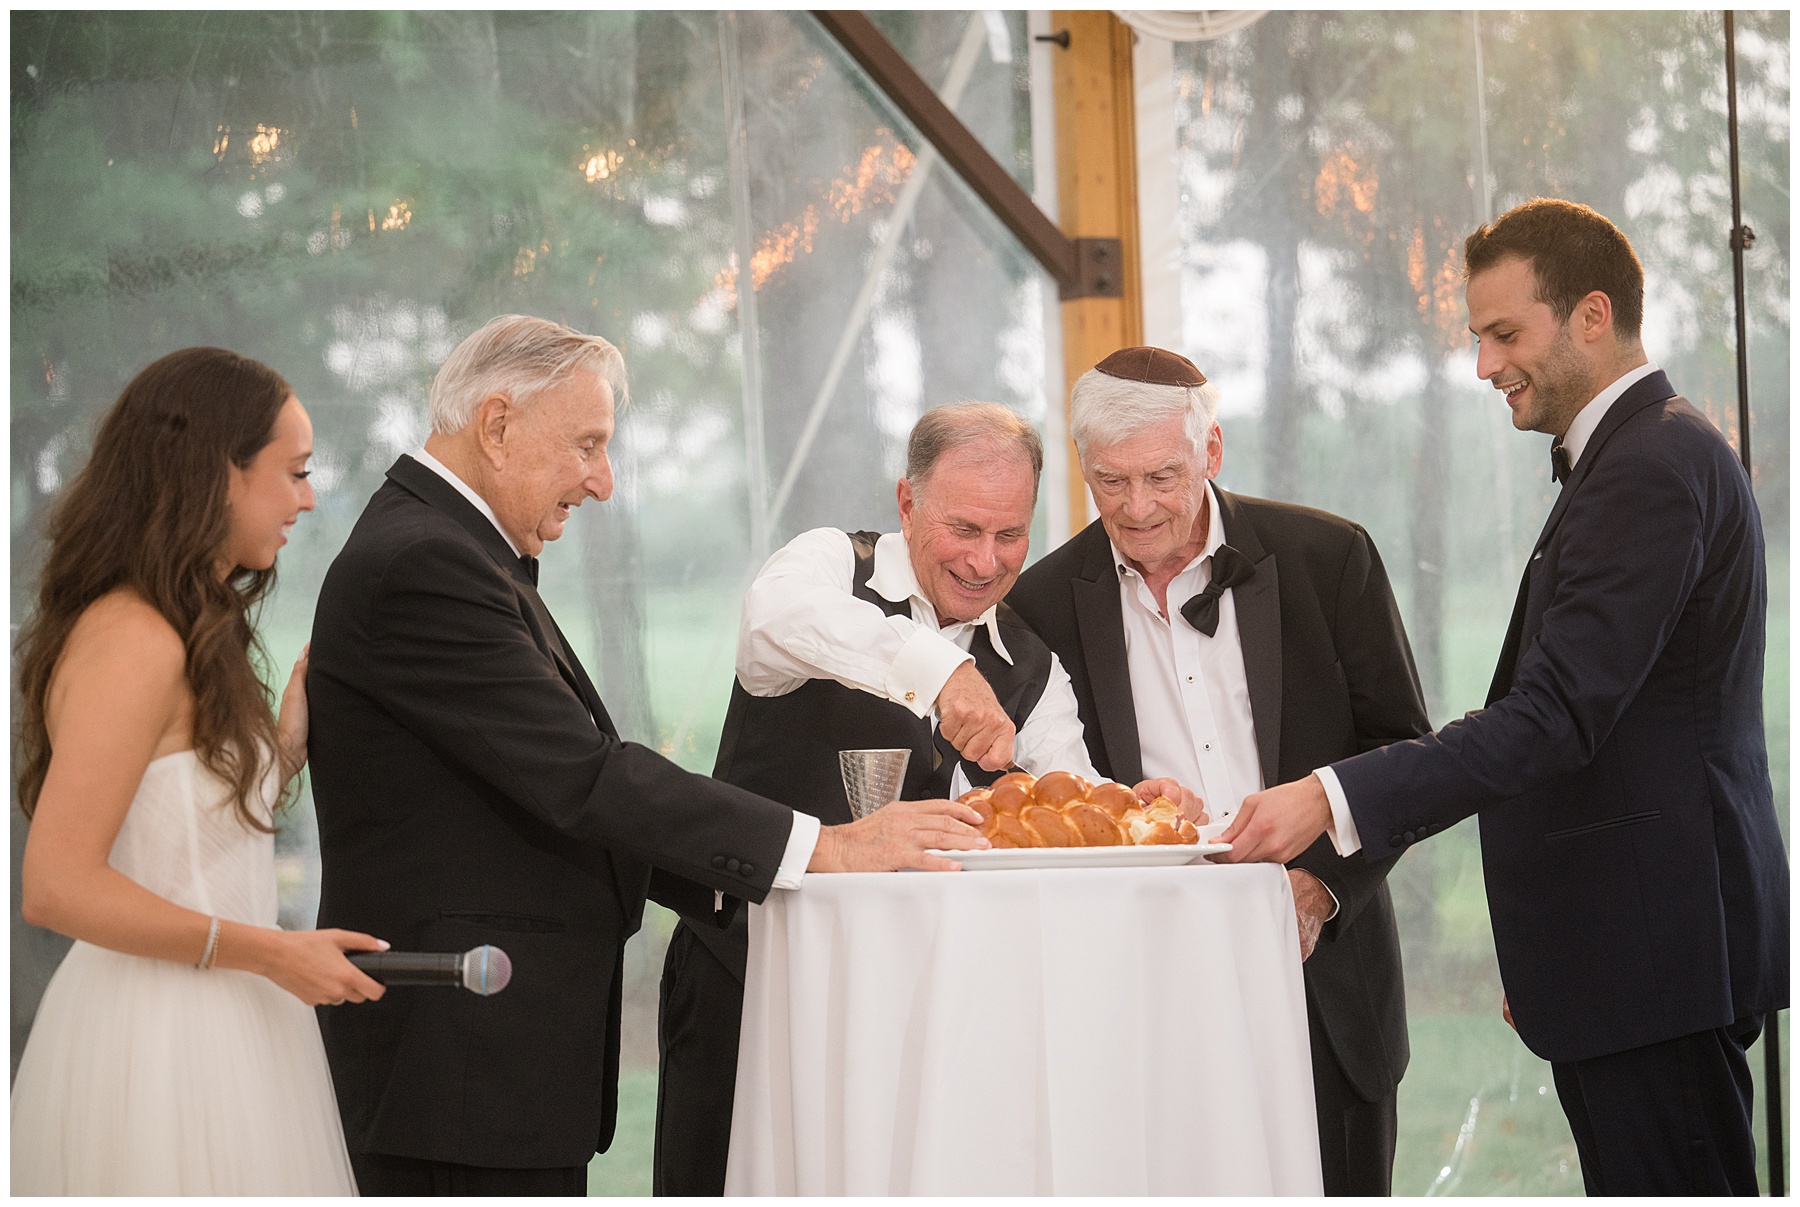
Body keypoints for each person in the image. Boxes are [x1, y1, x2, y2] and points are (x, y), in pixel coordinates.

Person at [306, 314, 985, 1196]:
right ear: (498, 423)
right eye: (587, 444)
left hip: (482, 1068)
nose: (603, 480)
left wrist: (757, 898)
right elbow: (583, 777)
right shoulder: (426, 563)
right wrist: (827, 846)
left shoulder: (451, 548)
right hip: (456, 1068)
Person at [1218, 199, 1788, 1194]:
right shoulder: (1637, 455)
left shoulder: (1649, 464)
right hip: (1635, 952)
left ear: (1594, 316)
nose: (1485, 365)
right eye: (1480, 337)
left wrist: (1332, 796)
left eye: (1505, 333)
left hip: (1656, 953)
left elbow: (1558, 715)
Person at [654, 401, 1200, 1196]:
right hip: (747, 977)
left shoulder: (1032, 667)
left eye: (1010, 535)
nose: (986, 561)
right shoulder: (829, 568)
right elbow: (773, 618)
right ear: (907, 503)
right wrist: (937, 671)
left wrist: (1137, 806)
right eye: (965, 529)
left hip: (925, 1017)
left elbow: (1072, 801)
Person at [1005, 347, 1429, 1195]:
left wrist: (1321, 885)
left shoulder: (1329, 556)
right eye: (1110, 481)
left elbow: (1403, 754)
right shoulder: (1043, 600)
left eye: (1162, 476)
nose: (1137, 507)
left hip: (1325, 976)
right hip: (1141, 986)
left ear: (1213, 450)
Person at [12, 347, 384, 1195]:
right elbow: (55, 885)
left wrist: (284, 742)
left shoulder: (187, 628)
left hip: (234, 1017)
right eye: (292, 472)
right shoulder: (135, 638)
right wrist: (270, 952)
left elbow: (181, 819)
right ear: (219, 471)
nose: (308, 498)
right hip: (160, 1044)